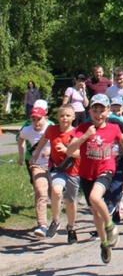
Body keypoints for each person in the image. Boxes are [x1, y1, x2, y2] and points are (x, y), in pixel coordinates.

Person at [67, 94, 123, 264]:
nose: (98, 114)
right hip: (86, 173)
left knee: (95, 198)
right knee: (95, 213)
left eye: (102, 110)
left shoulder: (113, 128)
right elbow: (70, 151)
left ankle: (110, 226)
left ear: (108, 111)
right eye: (95, 110)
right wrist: (85, 136)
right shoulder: (82, 127)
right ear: (90, 111)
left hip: (106, 169)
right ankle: (104, 243)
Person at [32, 104, 80, 243]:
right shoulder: (52, 130)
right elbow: (44, 139)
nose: (64, 118)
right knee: (56, 191)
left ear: (73, 117)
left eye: (67, 115)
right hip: (56, 168)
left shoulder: (76, 133)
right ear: (57, 117)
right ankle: (55, 220)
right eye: (61, 115)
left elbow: (81, 155)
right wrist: (37, 153)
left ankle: (71, 228)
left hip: (73, 170)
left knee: (71, 202)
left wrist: (66, 150)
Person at [17, 106, 52, 237]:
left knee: (55, 194)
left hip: (54, 166)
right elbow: (20, 139)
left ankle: (55, 221)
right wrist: (21, 155)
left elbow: (62, 141)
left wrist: (51, 150)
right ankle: (42, 225)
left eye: (39, 119)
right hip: (37, 166)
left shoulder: (51, 128)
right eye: (33, 120)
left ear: (45, 118)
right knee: (41, 193)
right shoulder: (27, 130)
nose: (36, 123)